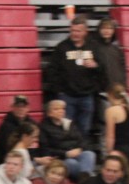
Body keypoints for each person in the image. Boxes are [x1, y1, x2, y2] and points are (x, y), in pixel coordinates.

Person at [44, 15, 105, 143]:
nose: (75, 34)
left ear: (85, 31)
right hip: (67, 96)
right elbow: (52, 70)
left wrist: (95, 65)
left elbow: (102, 68)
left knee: (85, 128)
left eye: (78, 31)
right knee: (65, 128)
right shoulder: (62, 47)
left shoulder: (93, 46)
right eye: (72, 30)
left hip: (87, 95)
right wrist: (60, 90)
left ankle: (82, 150)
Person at [38, 99, 96, 178]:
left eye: (63, 109)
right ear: (49, 113)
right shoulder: (44, 127)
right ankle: (86, 178)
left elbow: (82, 140)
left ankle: (84, 179)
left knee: (89, 154)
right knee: (72, 163)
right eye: (56, 109)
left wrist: (80, 149)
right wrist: (66, 153)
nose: (61, 111)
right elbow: (46, 149)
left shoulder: (69, 123)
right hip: (61, 158)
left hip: (76, 153)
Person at [104, 84, 129, 169]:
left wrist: (109, 154)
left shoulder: (111, 111)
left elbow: (110, 136)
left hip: (120, 153)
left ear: (110, 95)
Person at [0, 95, 32, 167]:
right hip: (11, 161)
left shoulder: (32, 124)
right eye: (18, 106)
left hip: (30, 159)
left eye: (23, 106)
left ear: (28, 108)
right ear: (12, 108)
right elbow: (6, 149)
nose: (21, 109)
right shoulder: (5, 127)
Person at [94, 17, 128, 93]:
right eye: (104, 28)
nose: (106, 31)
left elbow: (122, 70)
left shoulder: (117, 49)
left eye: (110, 28)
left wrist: (123, 86)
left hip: (117, 90)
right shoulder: (94, 48)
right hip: (101, 91)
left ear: (113, 31)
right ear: (99, 30)